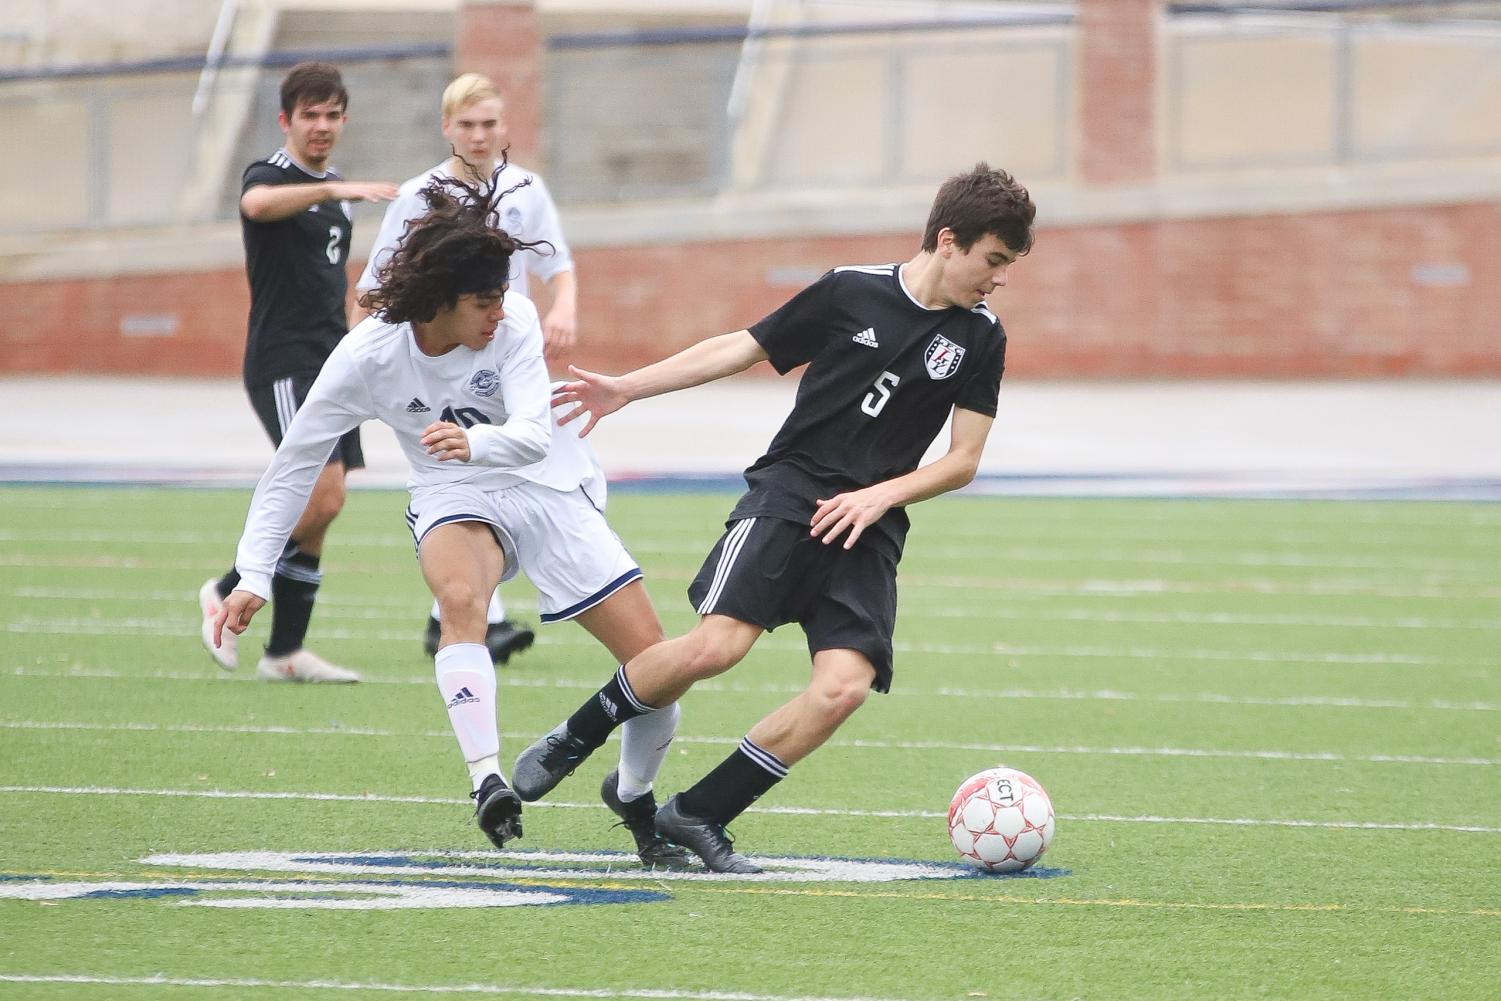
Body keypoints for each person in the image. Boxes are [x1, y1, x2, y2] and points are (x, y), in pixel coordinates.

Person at [512, 163, 1037, 873]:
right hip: (790, 495)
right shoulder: (850, 290)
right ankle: (573, 736)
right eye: (993, 260)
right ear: (949, 240)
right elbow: (740, 345)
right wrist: (628, 388)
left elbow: (963, 458)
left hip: (868, 524)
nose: (997, 278)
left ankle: (698, 812)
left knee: (843, 687)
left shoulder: (981, 337)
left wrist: (880, 496)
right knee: (717, 647)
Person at [213, 168, 688, 865]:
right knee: (460, 597)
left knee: (658, 667)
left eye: (503, 294)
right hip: (452, 492)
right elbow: (293, 463)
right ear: (440, 300)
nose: (502, 309)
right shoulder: (368, 357)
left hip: (547, 483)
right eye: (486, 299)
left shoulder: (514, 323)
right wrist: (254, 570)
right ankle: (487, 779)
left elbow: (529, 431)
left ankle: (633, 794)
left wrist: (477, 440)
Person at [354, 72, 578, 666]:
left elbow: (560, 262)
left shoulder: (526, 187)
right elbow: (374, 289)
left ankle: (455, 615)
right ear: (447, 127)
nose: (478, 136)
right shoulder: (418, 195)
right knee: (462, 479)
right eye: (467, 125)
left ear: (504, 127)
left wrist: (566, 308)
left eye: (488, 124)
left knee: (523, 470)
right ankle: (479, 616)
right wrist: (366, 369)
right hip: (439, 370)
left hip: (505, 359)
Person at [197, 61, 397, 683]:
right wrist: (333, 189)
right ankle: (227, 588)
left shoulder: (336, 197)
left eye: (333, 114)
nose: (323, 126)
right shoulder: (276, 177)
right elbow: (256, 204)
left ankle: (284, 652)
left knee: (323, 510)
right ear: (286, 121)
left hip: (332, 362)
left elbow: (327, 282)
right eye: (310, 114)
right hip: (283, 363)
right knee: (319, 492)